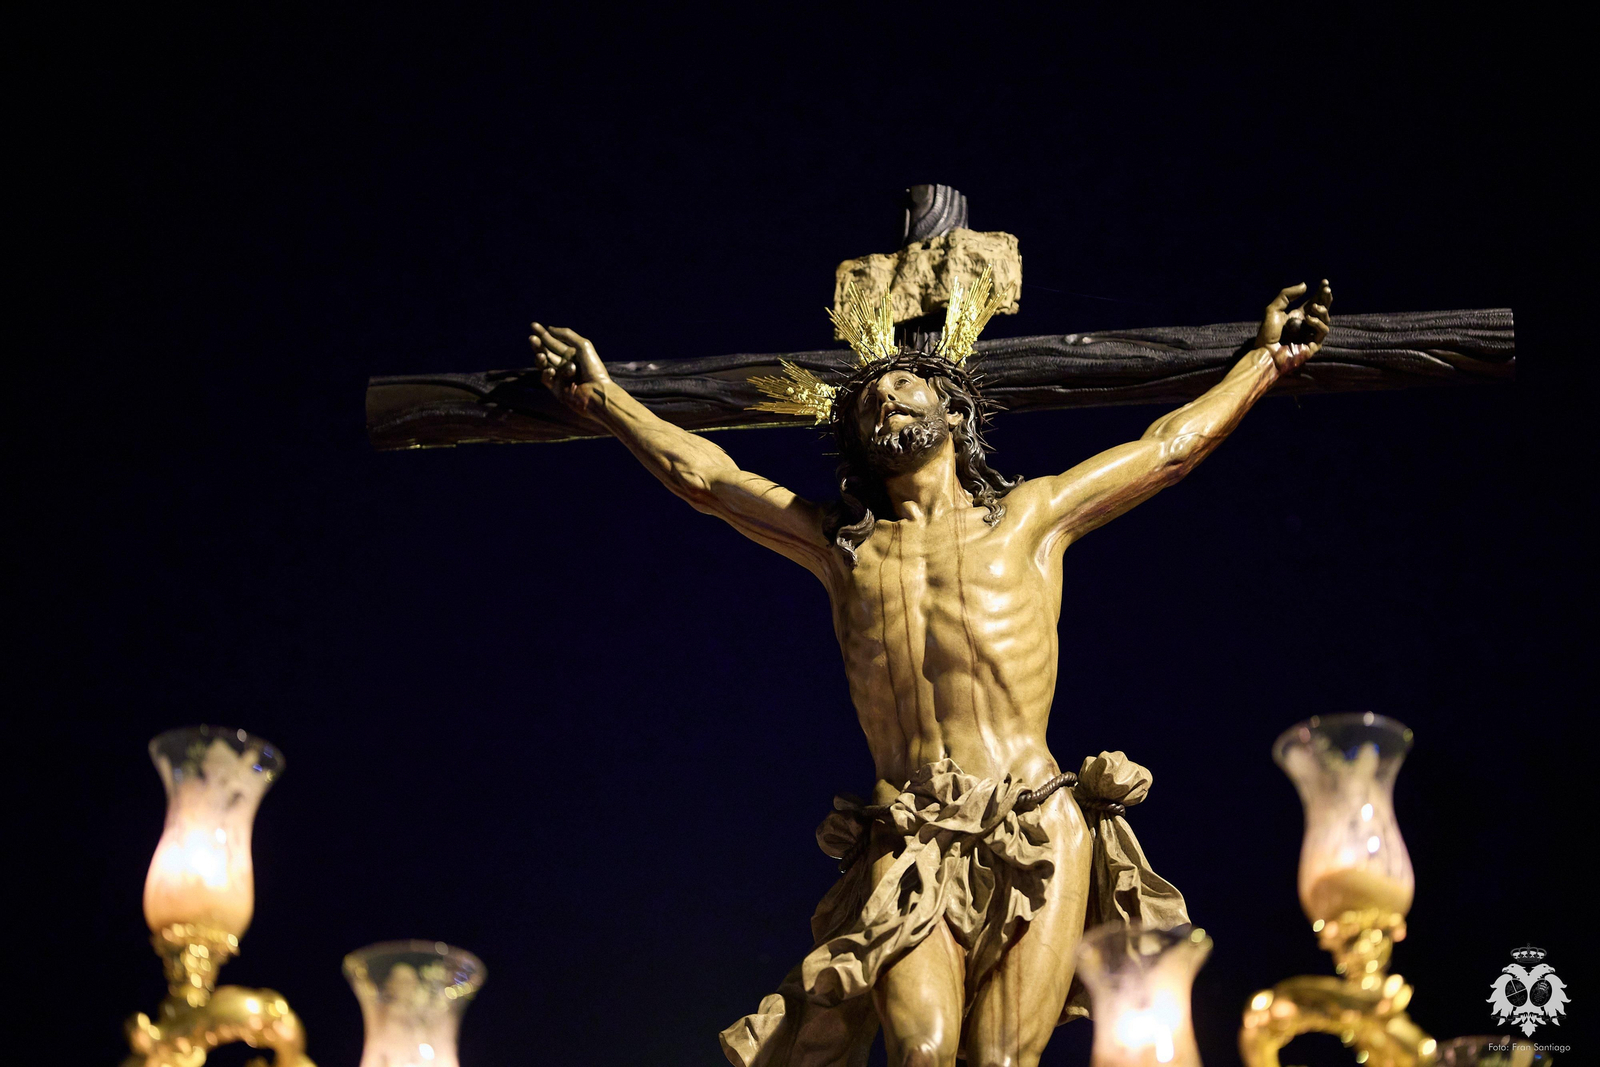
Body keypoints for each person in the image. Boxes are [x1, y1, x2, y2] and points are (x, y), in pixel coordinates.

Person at [527, 277, 1332, 1067]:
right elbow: (706, 478)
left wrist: (1264, 361)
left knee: (1002, 1058)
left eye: (909, 382)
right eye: (871, 395)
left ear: (956, 411)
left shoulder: (1029, 519)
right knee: (921, 1047)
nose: (888, 396)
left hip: (1036, 820)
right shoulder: (842, 546)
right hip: (908, 831)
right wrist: (604, 400)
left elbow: (1167, 450)